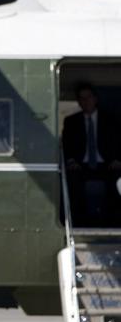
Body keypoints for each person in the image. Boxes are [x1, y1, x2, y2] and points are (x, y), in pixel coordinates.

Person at [62, 83, 121, 227]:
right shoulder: (71, 121)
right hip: (81, 165)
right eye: (81, 98)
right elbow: (66, 145)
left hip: (107, 164)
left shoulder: (111, 119)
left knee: (116, 182)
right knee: (72, 183)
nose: (85, 101)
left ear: (95, 99)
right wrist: (70, 161)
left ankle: (113, 224)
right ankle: (80, 224)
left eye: (88, 97)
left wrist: (119, 160)